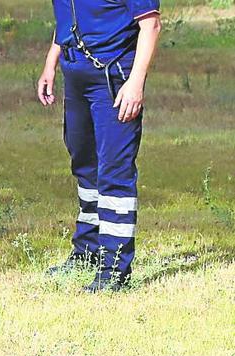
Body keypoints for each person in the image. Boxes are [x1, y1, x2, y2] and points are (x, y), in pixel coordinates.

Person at [38, 0, 162, 291]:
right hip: (75, 76)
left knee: (114, 172)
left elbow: (150, 24)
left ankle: (114, 269)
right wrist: (50, 63)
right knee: (85, 166)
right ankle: (87, 253)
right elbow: (68, 18)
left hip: (113, 78)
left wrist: (135, 82)